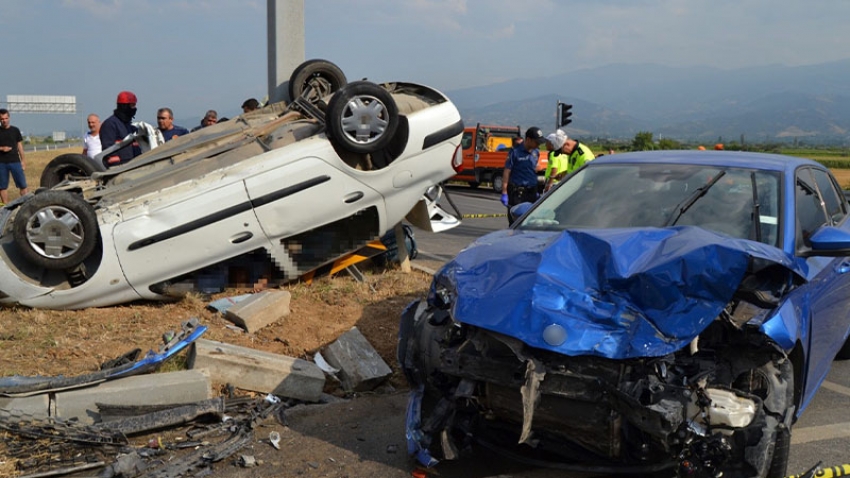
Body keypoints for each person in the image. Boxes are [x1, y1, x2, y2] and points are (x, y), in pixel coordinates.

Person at [501, 126, 545, 224]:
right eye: (536, 142)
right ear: (528, 140)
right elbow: (507, 171)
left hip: (532, 192)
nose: (538, 145)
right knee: (516, 223)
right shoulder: (515, 152)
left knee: (532, 222)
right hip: (518, 193)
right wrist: (504, 191)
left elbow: (535, 166)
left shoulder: (536, 152)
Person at [100, 91, 141, 167]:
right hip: (119, 168)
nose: (135, 109)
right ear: (125, 107)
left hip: (133, 166)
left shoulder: (129, 126)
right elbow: (108, 149)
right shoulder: (110, 124)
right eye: (132, 105)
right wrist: (118, 167)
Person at [0, 109, 28, 205]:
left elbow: (19, 146)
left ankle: (26, 204)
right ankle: (5, 207)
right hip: (1, 163)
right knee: (2, 187)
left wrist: (23, 160)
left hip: (15, 161)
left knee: (22, 185)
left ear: (9, 118)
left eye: (6, 118)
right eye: (2, 119)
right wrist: (2, 148)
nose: (4, 120)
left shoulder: (15, 130)